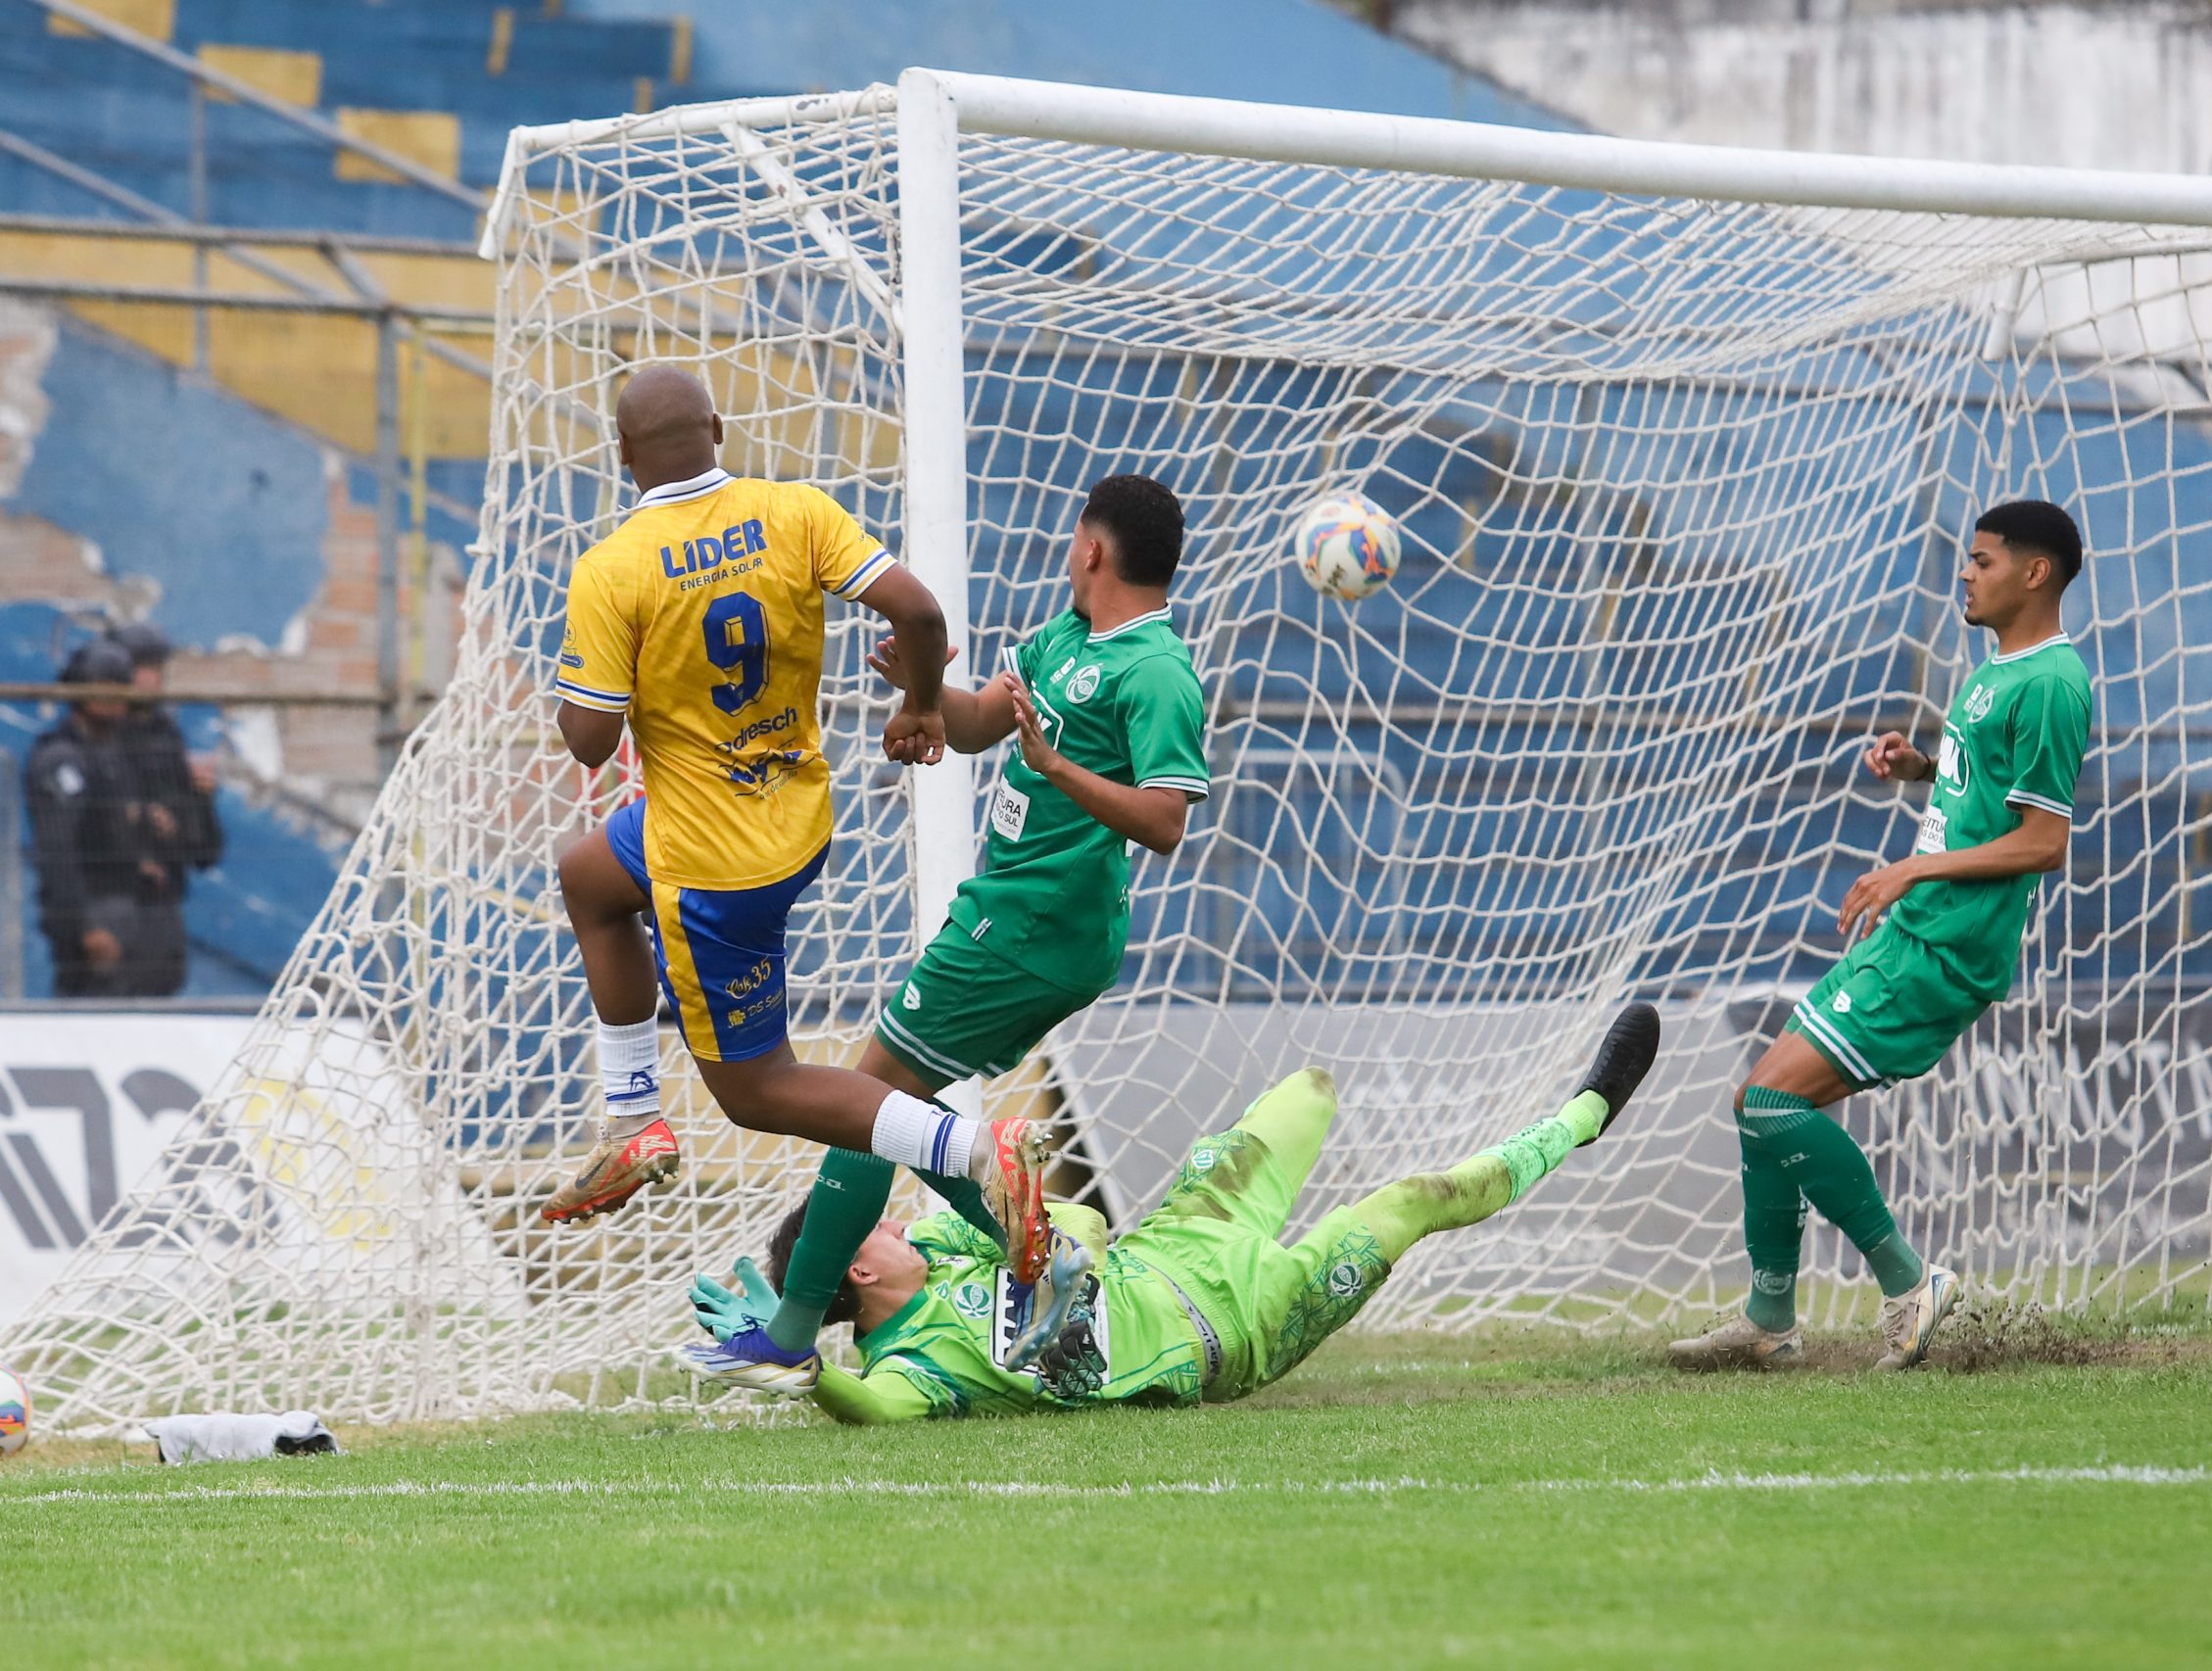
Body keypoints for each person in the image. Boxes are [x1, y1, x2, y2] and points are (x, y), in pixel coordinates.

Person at [689, 471, 1209, 1393]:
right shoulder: (1065, 636)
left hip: (1036, 925)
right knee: (891, 1112)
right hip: (1007, 912)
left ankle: (795, 1330)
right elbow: (975, 727)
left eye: (1074, 537)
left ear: (1093, 547)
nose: (1068, 552)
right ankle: (1046, 1266)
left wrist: (1057, 768)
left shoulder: (1156, 670)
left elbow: (1166, 822)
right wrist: (924, 691)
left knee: (868, 1103)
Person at [538, 365, 1056, 1286]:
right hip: (796, 816)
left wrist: (601, 668)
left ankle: (980, 1151)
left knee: (757, 1090)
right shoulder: (796, 511)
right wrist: (922, 704)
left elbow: (588, 742)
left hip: (710, 867)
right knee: (590, 877)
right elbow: (918, 611)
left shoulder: (612, 569)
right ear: (718, 429)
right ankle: (632, 1118)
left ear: (621, 455)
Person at [685, 1004, 1661, 1421]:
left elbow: (1080, 1228)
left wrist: (975, 1189)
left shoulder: (940, 1242)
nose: (896, 1221)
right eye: (875, 1228)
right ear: (857, 1270)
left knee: (1309, 1093)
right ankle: (1582, 1116)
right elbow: (870, 1410)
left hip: (1182, 1239)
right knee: (1409, 1204)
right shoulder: (914, 1367)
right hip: (1242, 1324)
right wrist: (810, 1373)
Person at [1667, 500, 2094, 1371]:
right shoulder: (1995, 672)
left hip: (1947, 946)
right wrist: (1924, 769)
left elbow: (2044, 843)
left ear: (2034, 572)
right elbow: (1987, 789)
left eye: (1982, 561)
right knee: (1761, 1103)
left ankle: (1908, 1281)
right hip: (1913, 931)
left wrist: (1909, 871)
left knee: (1771, 1103)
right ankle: (1770, 1319)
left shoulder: (2053, 683)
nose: (1965, 573)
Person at [22, 640, 156, 996]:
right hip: (89, 912)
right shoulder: (62, 757)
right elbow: (57, 849)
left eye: (119, 685)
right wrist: (84, 924)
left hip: (121, 905)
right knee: (88, 1005)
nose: (113, 698)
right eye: (101, 685)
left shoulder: (112, 754)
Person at [107, 620, 223, 995]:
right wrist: (137, 817)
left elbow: (203, 850)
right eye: (142, 667)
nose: (151, 679)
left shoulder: (165, 735)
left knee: (161, 988)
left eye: (156, 668)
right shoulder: (95, 735)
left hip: (161, 903)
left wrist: (200, 796)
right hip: (108, 902)